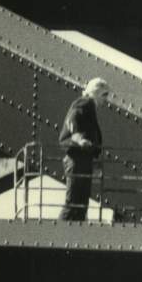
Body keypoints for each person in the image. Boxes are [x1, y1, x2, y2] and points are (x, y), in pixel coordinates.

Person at [58, 77, 109, 221]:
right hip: (77, 159)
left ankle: (73, 232)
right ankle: (59, 233)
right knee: (74, 202)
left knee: (79, 204)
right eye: (104, 95)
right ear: (96, 93)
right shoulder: (85, 102)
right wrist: (79, 139)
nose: (106, 100)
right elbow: (72, 118)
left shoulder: (89, 107)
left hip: (82, 160)